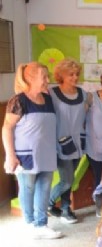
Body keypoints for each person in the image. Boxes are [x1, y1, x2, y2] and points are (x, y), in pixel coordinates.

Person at [2, 62, 62, 239]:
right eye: (44, 76)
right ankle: (29, 223)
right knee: (27, 188)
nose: (47, 80)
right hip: (26, 155)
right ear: (30, 78)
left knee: (44, 188)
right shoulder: (19, 100)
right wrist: (10, 156)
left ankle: (41, 224)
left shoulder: (48, 99)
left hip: (47, 153)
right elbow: (6, 128)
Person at [48, 59, 88, 224]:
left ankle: (65, 209)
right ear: (61, 76)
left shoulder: (83, 93)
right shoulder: (52, 94)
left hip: (78, 143)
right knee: (67, 180)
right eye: (70, 74)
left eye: (77, 74)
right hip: (60, 143)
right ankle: (47, 203)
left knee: (69, 178)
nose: (74, 77)